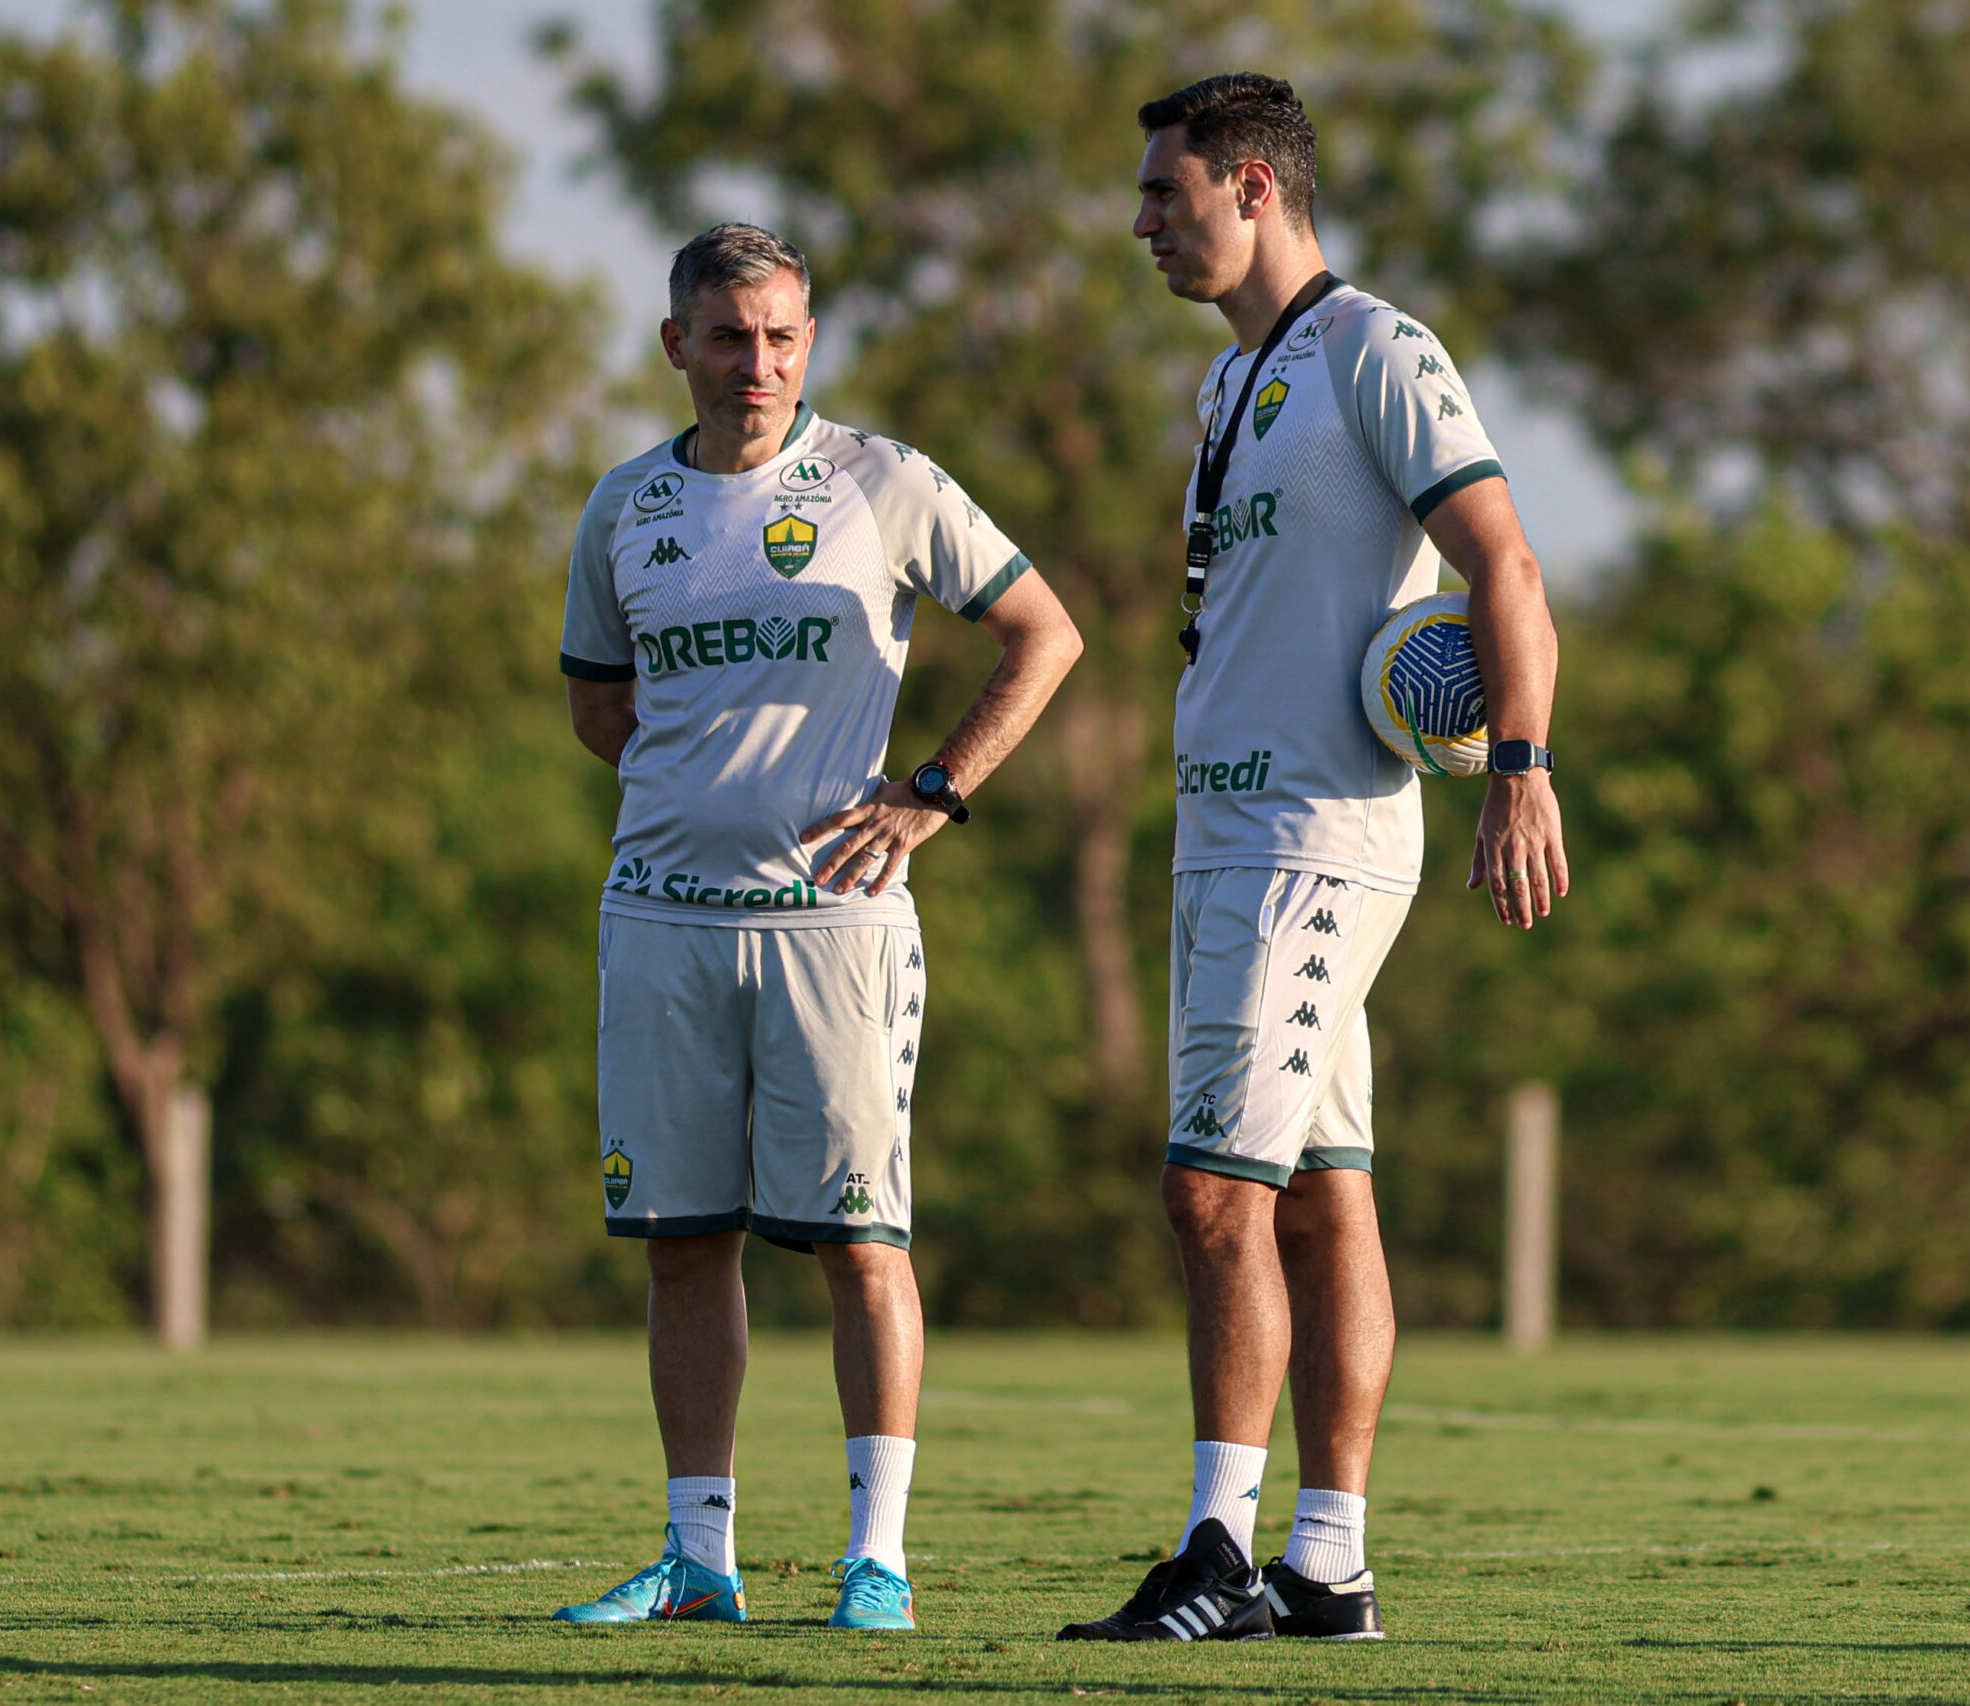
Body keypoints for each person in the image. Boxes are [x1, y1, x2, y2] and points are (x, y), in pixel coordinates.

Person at [1059, 74, 1569, 1643]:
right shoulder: (1231, 388)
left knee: (1210, 1194)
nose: (1146, 222)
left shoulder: (1376, 351)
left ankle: (1215, 1547)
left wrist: (1523, 769)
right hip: (1227, 834)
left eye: (1170, 192)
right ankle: (1328, 1561)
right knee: (1320, 1200)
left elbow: (1506, 561)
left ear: (1259, 187)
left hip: (1315, 842)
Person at [551, 224, 1083, 1631]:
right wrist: (702, 793)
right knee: (682, 1241)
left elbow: (1047, 632)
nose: (759, 364)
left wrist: (934, 791)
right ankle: (700, 1557)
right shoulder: (622, 509)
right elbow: (601, 704)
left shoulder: (881, 481)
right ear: (677, 345)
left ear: (810, 342)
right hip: (660, 920)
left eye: (783, 336)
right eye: (729, 336)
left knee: (861, 1243)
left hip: (835, 926)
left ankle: (877, 1560)